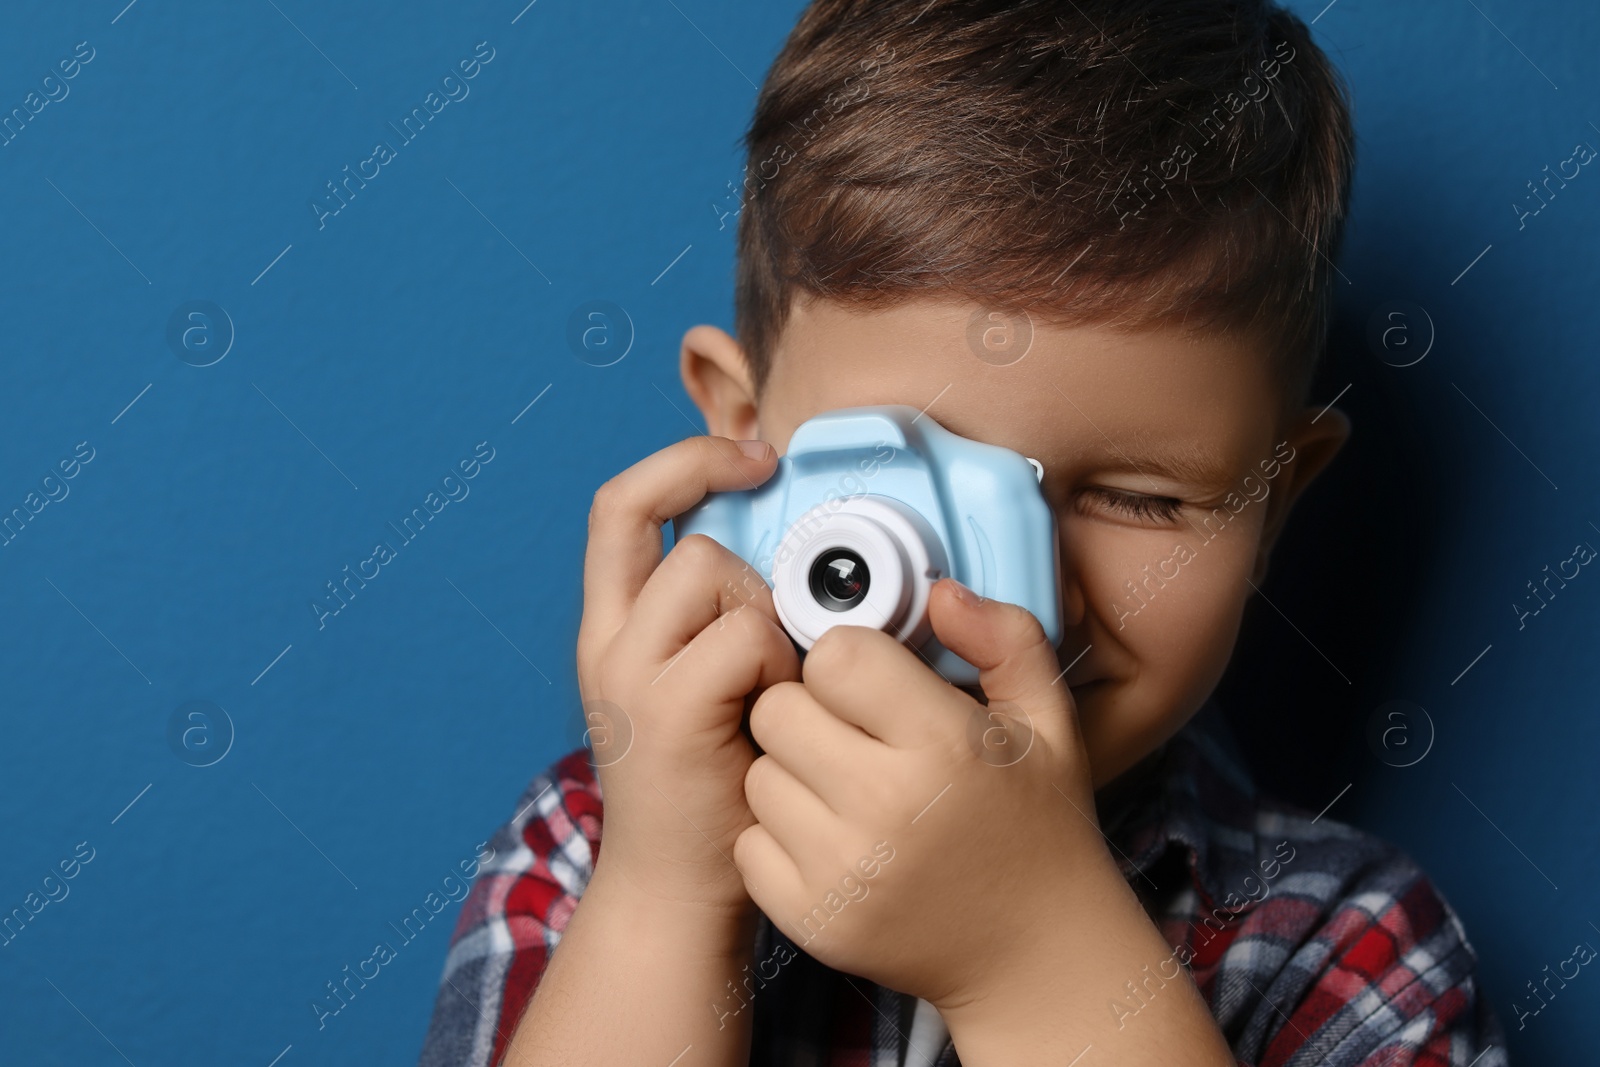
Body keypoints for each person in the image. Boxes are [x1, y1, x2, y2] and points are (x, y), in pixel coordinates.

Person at [417, 1, 1508, 1064]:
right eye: (920, 481)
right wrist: (663, 898)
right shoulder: (595, 842)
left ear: (1273, 499)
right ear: (746, 439)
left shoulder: (1348, 949)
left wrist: (1031, 954)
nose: (1031, 603)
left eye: (1140, 498)